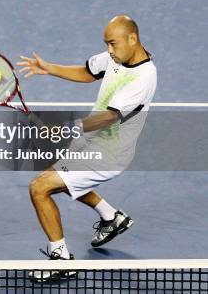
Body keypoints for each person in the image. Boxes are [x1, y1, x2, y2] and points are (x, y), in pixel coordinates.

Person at [17, 15, 157, 282]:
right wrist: (49, 68)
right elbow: (88, 71)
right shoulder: (118, 57)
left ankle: (61, 260)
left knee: (40, 187)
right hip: (93, 141)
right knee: (54, 176)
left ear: (133, 38)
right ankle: (111, 217)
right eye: (106, 44)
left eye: (113, 44)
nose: (109, 51)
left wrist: (64, 129)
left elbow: (109, 117)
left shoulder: (143, 77)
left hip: (109, 154)